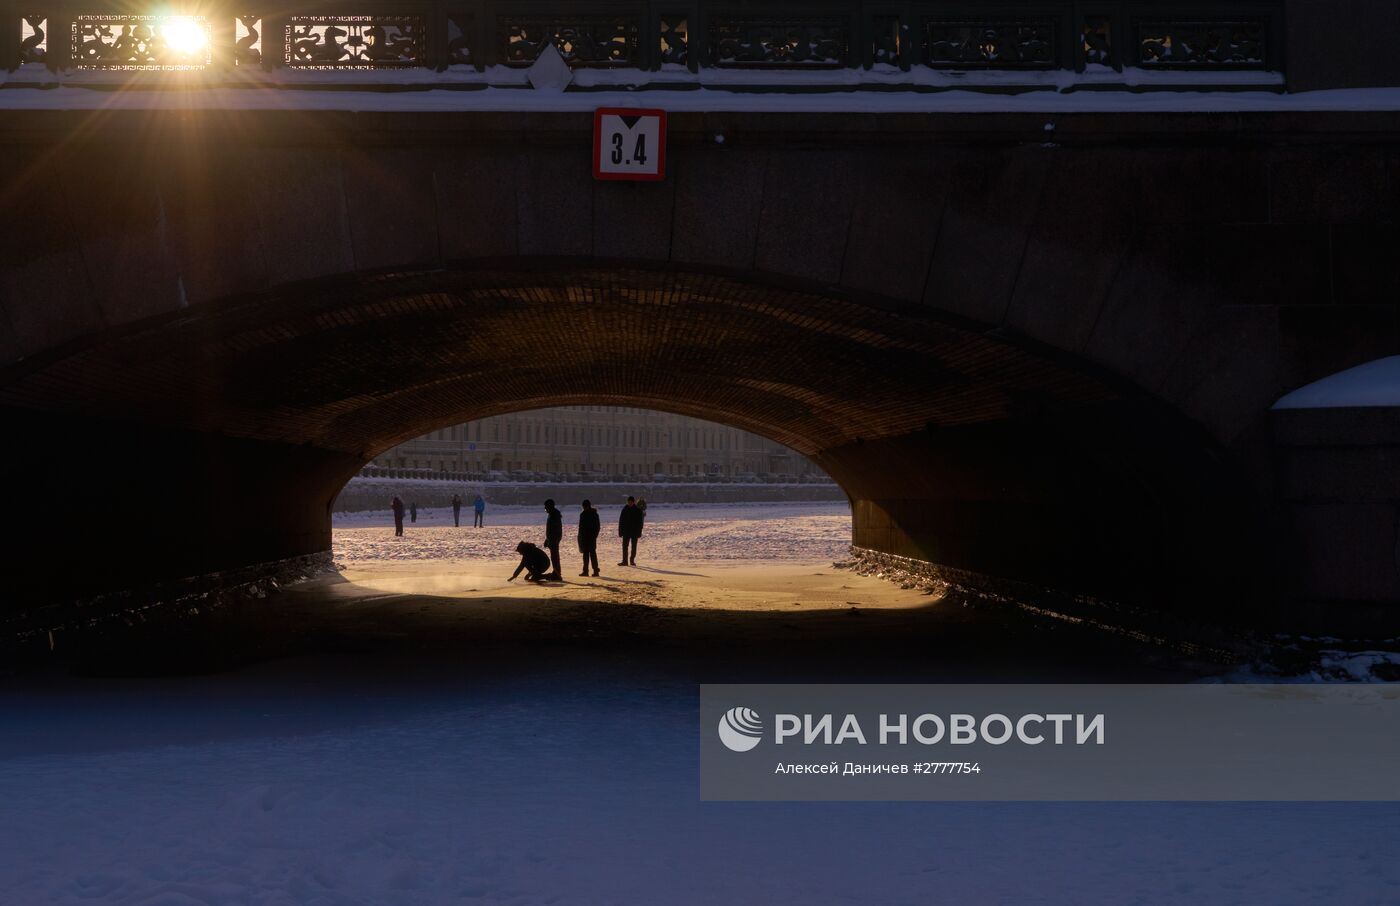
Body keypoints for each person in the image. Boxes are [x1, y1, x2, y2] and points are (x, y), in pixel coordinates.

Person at [577, 499, 601, 577]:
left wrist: (594, 536)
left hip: (588, 538)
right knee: (590, 555)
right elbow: (597, 527)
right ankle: (592, 571)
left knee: (588, 555)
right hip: (588, 538)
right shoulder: (593, 514)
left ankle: (588, 571)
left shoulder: (584, 514)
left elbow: (581, 528)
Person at [618, 495, 643, 566]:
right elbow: (621, 521)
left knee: (634, 547)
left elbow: (640, 523)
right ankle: (625, 561)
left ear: (633, 502)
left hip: (634, 532)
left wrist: (639, 532)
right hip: (626, 531)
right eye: (629, 502)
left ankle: (632, 560)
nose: (630, 503)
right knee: (625, 546)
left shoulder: (638, 510)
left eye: (631, 502)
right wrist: (620, 531)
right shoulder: (625, 509)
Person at [543, 498, 563, 581]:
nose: (545, 509)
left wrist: (550, 539)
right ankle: (556, 572)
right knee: (554, 557)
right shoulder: (552, 514)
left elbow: (554, 530)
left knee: (555, 557)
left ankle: (557, 573)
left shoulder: (554, 515)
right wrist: (547, 539)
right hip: (553, 539)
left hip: (554, 539)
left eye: (546, 507)